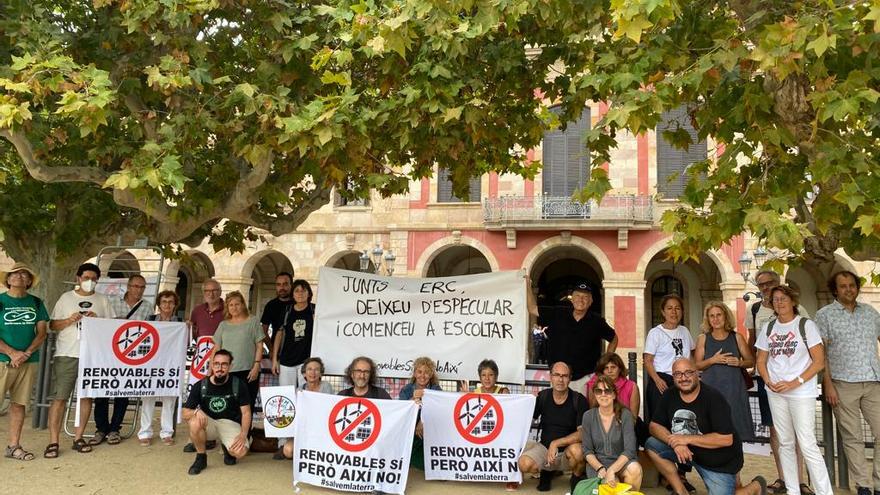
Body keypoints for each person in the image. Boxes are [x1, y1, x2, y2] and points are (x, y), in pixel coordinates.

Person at [646, 358, 768, 495]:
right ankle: (681, 492)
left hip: (718, 461)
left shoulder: (714, 398)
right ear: (673, 376)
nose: (683, 378)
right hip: (689, 453)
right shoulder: (670, 394)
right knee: (652, 444)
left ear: (697, 373)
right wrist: (675, 443)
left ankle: (756, 486)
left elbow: (726, 439)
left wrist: (685, 439)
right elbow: (654, 426)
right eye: (678, 374)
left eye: (688, 373)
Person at [756, 285, 833, 495]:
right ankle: (792, 490)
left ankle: (825, 492)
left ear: (792, 301)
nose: (779, 302)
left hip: (800, 393)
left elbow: (818, 362)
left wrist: (794, 382)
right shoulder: (769, 328)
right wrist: (767, 380)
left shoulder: (805, 325)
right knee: (785, 443)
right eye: (775, 299)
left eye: (783, 298)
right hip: (776, 392)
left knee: (807, 443)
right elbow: (761, 359)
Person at [745, 269, 810, 494]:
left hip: (794, 378)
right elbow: (752, 341)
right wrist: (753, 368)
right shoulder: (753, 309)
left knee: (797, 429)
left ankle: (800, 481)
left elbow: (809, 341)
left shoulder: (798, 309)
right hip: (768, 378)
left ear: (778, 282)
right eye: (761, 284)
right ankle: (783, 478)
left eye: (769, 283)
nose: (765, 287)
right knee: (775, 430)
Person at [817, 271, 880, 495]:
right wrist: (828, 385)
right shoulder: (824, 316)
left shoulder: (871, 313)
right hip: (842, 384)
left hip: (874, 381)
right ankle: (863, 485)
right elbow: (820, 354)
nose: (848, 289)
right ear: (835, 289)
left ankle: (878, 483)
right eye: (843, 286)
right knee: (853, 437)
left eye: (852, 285)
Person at [46, 262, 113, 457]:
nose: (89, 282)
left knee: (86, 397)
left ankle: (78, 437)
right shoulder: (66, 298)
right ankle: (53, 441)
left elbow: (111, 328)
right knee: (60, 398)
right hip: (67, 353)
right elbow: (52, 325)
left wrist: (96, 320)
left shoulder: (103, 300)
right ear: (78, 278)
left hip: (92, 355)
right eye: (86, 278)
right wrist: (69, 320)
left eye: (93, 279)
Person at [91, 274, 154, 447]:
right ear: (128, 286)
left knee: (123, 393)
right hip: (109, 353)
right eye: (135, 286)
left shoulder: (147, 307)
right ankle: (101, 428)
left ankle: (114, 429)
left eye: (142, 287)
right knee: (102, 392)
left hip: (130, 356)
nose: (138, 290)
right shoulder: (112, 302)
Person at [528, 280, 618, 395]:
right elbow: (532, 309)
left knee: (583, 411)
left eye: (585, 297)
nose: (581, 300)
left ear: (590, 301)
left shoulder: (597, 321)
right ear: (572, 299)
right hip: (559, 377)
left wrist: (606, 360)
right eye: (578, 296)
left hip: (585, 378)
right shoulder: (558, 313)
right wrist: (527, 285)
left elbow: (614, 338)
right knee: (558, 410)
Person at [0, 263, 48, 461]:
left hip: (28, 362)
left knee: (19, 404)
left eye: (23, 274)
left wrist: (26, 353)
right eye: (14, 274)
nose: (19, 277)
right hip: (2, 360)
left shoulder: (36, 303)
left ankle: (14, 446)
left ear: (29, 281)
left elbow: (42, 332)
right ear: (8, 280)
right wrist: (12, 353)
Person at [516, 361, 587, 492]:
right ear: (551, 377)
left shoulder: (579, 400)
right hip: (545, 449)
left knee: (578, 452)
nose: (560, 379)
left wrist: (556, 443)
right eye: (557, 375)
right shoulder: (543, 397)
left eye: (565, 376)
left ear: (570, 378)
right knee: (524, 464)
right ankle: (546, 472)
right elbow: (525, 418)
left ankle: (576, 477)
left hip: (567, 452)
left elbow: (582, 434)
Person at [695, 301, 755, 443]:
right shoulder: (703, 338)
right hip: (711, 391)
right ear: (708, 319)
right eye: (712, 316)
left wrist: (739, 363)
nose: (715, 319)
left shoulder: (737, 337)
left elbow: (751, 361)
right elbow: (697, 365)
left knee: (736, 431)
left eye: (719, 315)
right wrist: (713, 360)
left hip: (734, 390)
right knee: (712, 429)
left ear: (725, 316)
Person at [183, 349, 251, 475]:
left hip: (230, 423)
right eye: (216, 364)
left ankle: (226, 447)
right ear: (212, 365)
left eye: (224, 364)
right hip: (209, 423)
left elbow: (246, 413)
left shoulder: (238, 384)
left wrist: (243, 434)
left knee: (240, 453)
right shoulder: (201, 385)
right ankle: (201, 457)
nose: (220, 368)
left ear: (230, 366)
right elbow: (185, 412)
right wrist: (197, 411)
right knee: (194, 422)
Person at [138, 290, 184, 446]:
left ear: (175, 304)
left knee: (169, 399)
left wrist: (189, 327)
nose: (167, 305)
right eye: (164, 302)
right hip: (151, 363)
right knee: (148, 398)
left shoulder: (180, 322)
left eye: (171, 302)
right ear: (159, 304)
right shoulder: (149, 320)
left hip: (170, 364)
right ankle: (145, 432)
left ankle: (167, 432)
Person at [581, 375, 643, 490]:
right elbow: (587, 450)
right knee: (612, 486)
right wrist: (601, 469)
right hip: (598, 466)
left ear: (614, 394)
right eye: (599, 391)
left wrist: (612, 470)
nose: (603, 394)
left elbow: (630, 450)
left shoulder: (625, 415)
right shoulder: (588, 416)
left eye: (607, 390)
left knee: (635, 469)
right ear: (595, 394)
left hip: (622, 463)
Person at [644, 294, 694, 423]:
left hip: (684, 379)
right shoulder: (655, 333)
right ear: (663, 311)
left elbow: (692, 355)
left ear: (682, 311)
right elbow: (648, 360)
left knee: (682, 417)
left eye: (677, 308)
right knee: (661, 418)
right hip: (663, 379)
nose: (674, 312)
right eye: (669, 308)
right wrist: (657, 380)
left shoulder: (685, 331)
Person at [212, 291, 263, 409]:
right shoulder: (223, 325)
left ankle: (246, 428)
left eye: (237, 304)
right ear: (227, 307)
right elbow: (216, 349)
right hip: (226, 371)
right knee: (228, 405)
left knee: (247, 405)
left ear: (243, 305)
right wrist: (212, 369)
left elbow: (259, 345)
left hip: (248, 371)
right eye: (231, 305)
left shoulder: (253, 321)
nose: (234, 307)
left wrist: (256, 366)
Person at [585, 353, 645, 446]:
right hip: (601, 426)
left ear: (620, 369)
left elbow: (633, 418)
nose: (609, 371)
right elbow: (592, 411)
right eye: (606, 368)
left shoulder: (631, 386)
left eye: (613, 367)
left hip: (625, 426)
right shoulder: (594, 385)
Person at [281, 357, 334, 459]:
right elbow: (291, 413)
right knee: (288, 450)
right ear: (304, 373)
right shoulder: (299, 390)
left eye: (316, 369)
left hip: (322, 432)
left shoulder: (326, 386)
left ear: (321, 373)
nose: (313, 373)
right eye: (309, 369)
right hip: (304, 431)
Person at [398, 356, 442, 470]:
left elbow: (439, 411)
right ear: (414, 373)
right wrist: (412, 400)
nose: (422, 376)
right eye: (419, 372)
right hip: (410, 431)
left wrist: (422, 422)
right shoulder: (406, 390)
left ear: (431, 374)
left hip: (430, 430)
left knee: (425, 462)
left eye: (427, 372)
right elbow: (402, 412)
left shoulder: (436, 390)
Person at [271, 279, 314, 390]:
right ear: (293, 294)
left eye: (303, 291)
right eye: (297, 291)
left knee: (305, 394)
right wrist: (275, 359)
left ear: (308, 293)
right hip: (286, 360)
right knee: (287, 394)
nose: (300, 293)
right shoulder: (287, 311)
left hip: (306, 361)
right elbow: (279, 335)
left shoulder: (314, 310)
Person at [260, 272, 294, 348]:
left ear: (291, 285)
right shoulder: (271, 305)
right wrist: (271, 349)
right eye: (278, 284)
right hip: (277, 350)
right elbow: (263, 331)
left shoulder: (297, 303)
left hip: (298, 351)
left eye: (285, 284)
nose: (282, 288)